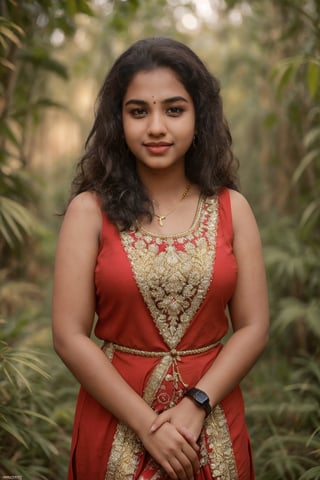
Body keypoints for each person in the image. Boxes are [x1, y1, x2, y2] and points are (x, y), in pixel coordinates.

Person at [52, 37, 269, 480]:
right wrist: (148, 427)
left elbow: (253, 326)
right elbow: (69, 336)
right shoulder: (89, 212)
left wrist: (197, 404)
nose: (156, 127)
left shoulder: (232, 207)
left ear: (198, 118)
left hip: (211, 422)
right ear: (119, 120)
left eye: (173, 109)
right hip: (116, 423)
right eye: (138, 111)